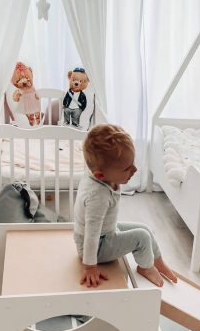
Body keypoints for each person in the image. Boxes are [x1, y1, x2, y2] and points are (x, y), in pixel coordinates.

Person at [74, 123, 177, 288]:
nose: (135, 170)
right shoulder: (97, 197)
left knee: (144, 229)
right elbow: (91, 235)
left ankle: (158, 262)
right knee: (141, 237)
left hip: (106, 232)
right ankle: (145, 267)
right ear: (100, 176)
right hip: (96, 246)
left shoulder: (103, 174)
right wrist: (90, 267)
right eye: (127, 168)